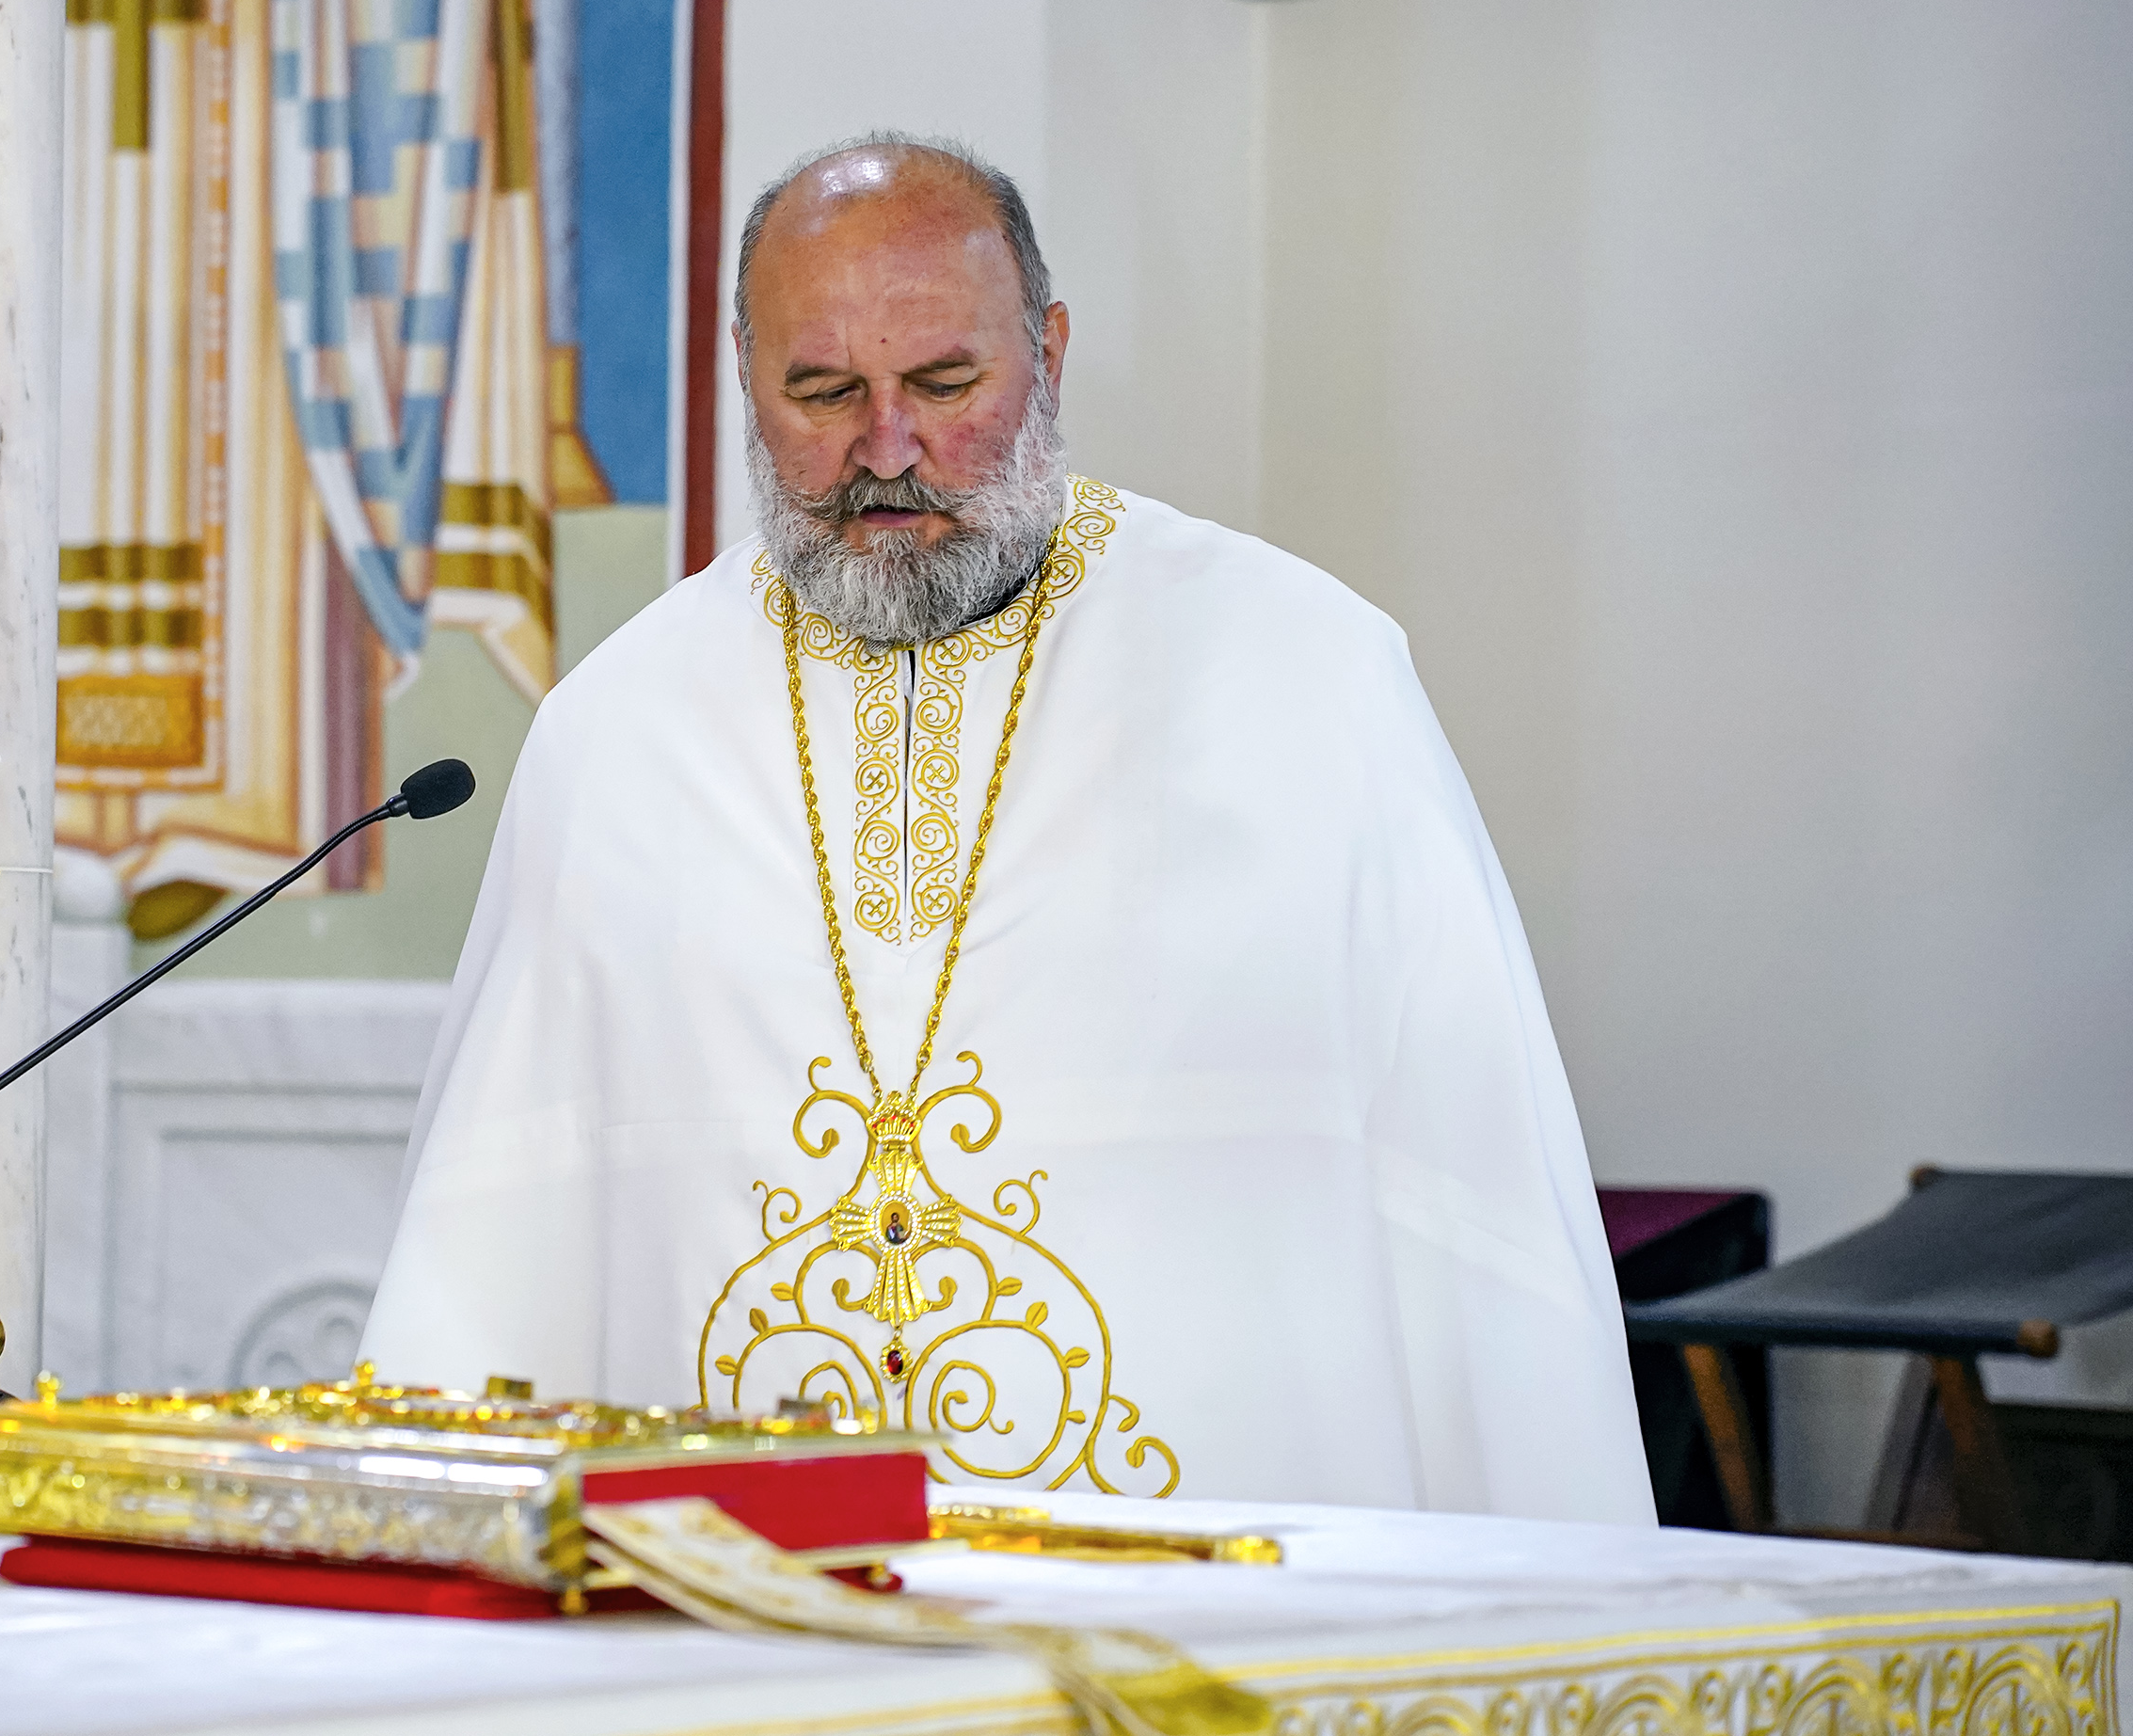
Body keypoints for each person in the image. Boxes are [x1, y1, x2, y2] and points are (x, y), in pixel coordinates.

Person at [359, 135, 1651, 1520]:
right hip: (752, 1602)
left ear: (1050, 352)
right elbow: (499, 1227)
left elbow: (1477, 1201)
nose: (886, 449)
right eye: (821, 392)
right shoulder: (617, 730)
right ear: (744, 373)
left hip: (1203, 1601)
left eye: (943, 383)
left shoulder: (1309, 677)